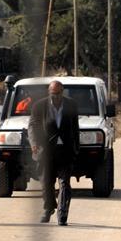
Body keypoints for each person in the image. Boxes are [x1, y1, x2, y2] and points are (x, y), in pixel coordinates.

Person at [28, 80, 80, 225]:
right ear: (48, 93)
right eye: (52, 94)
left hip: (65, 151)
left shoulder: (71, 105)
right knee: (46, 183)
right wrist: (34, 143)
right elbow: (32, 126)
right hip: (46, 151)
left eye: (57, 94)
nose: (55, 97)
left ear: (62, 92)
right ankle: (49, 208)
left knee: (64, 183)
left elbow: (75, 129)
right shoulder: (39, 106)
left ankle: (62, 214)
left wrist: (76, 148)